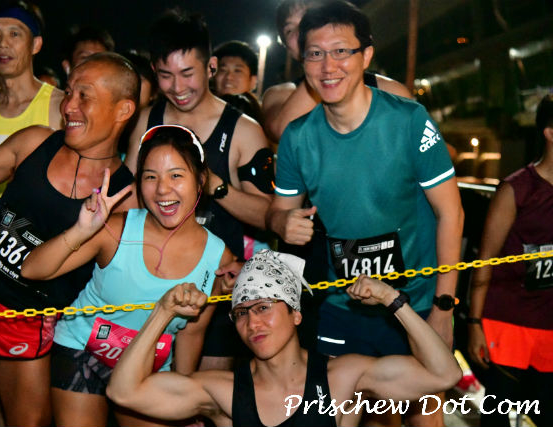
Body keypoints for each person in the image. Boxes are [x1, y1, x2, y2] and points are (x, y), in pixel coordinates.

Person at [0, 52, 139, 425]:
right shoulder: (36, 140)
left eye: (84, 96)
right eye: (69, 92)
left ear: (123, 110)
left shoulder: (125, 198)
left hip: (26, 316)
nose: (69, 105)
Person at [266, 3, 464, 426]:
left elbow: (451, 214)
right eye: (315, 54)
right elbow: (277, 212)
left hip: (414, 302)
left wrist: (444, 308)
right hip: (343, 305)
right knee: (343, 418)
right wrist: (282, 222)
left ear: (366, 55)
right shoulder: (298, 138)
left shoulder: (409, 121)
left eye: (341, 51)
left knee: (424, 418)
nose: (328, 66)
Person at [22, 125, 234, 427]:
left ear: (201, 180)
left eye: (176, 175)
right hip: (82, 348)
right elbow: (32, 269)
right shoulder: (116, 229)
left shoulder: (218, 257)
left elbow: (191, 333)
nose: (162, 190)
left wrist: (184, 401)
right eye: (150, 177)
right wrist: (82, 230)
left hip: (149, 367)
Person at [105, 249, 462, 427]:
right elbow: (123, 392)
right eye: (241, 313)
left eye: (263, 307)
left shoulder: (342, 378)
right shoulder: (223, 391)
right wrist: (162, 312)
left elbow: (444, 374)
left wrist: (392, 300)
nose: (252, 322)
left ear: (296, 314)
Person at [128, 9, 274, 370]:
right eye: (166, 75)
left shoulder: (243, 130)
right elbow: (129, 200)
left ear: (210, 66)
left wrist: (215, 185)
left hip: (217, 289)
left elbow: (269, 216)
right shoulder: (147, 121)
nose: (177, 87)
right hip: (151, 284)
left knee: (205, 394)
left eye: (187, 73)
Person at [467, 94, 553, 427]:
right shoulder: (517, 189)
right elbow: (484, 259)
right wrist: (474, 323)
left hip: (549, 326)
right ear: (549, 133)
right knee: (498, 418)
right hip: (508, 323)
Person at [0, 1, 64, 234]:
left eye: (14, 34)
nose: (2, 43)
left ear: (35, 45)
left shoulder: (59, 107)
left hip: (36, 234)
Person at [262, 0, 412, 142]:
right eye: (289, 30)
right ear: (286, 46)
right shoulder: (279, 95)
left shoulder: (389, 91)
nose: (300, 31)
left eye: (308, 18)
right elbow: (282, 131)